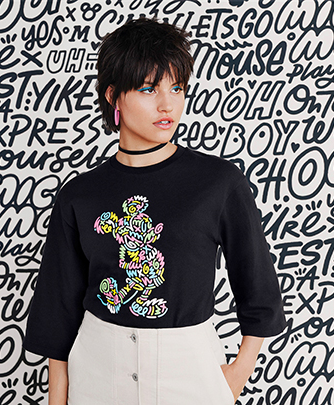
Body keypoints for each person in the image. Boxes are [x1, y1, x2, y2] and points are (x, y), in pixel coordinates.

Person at [24, 17, 286, 405]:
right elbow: (57, 312)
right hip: (97, 374)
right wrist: (58, 399)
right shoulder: (80, 195)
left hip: (190, 375)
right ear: (114, 96)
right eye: (149, 89)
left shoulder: (218, 182)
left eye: (177, 88)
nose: (168, 104)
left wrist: (234, 377)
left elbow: (259, 291)